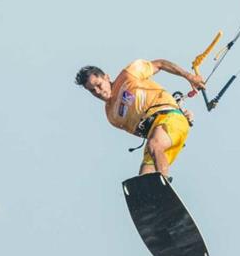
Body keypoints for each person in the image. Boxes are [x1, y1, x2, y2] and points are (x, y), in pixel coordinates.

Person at [74, 59, 205, 179]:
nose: (97, 91)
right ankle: (151, 201)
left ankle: (164, 182)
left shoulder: (128, 74)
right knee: (144, 174)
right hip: (158, 135)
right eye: (92, 90)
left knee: (154, 144)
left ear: (106, 77)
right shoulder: (111, 116)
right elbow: (141, 132)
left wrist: (190, 77)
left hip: (170, 118)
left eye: (99, 85)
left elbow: (160, 64)